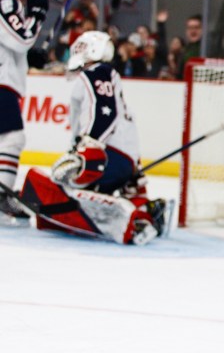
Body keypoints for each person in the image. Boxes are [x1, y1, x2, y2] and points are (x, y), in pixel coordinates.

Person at [18, 31, 169, 245]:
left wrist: (90, 147)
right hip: (122, 160)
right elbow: (123, 127)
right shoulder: (108, 78)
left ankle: (133, 222)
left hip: (107, 157)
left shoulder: (96, 72)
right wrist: (136, 183)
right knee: (64, 183)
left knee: (53, 184)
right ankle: (146, 211)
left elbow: (102, 111)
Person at [0, 0, 48, 223]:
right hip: (2, 84)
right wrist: (39, 15)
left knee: (6, 140)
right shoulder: (6, 4)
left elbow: (16, 45)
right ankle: (1, 198)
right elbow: (21, 39)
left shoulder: (12, 6)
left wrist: (31, 55)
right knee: (12, 139)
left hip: (5, 81)